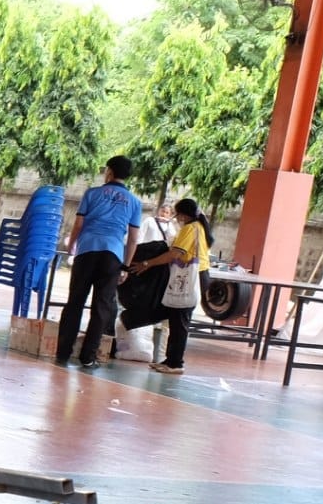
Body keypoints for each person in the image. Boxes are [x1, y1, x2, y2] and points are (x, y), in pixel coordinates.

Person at [53, 156, 142, 370]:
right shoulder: (134, 202)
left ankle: (63, 353)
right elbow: (133, 239)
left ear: (109, 172)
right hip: (112, 256)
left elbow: (78, 224)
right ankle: (88, 357)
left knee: (75, 302)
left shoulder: (92, 193)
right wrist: (125, 266)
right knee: (101, 306)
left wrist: (71, 247)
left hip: (87, 251)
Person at [121, 197, 211, 374]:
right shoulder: (198, 227)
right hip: (195, 276)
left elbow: (174, 254)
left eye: (177, 214)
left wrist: (147, 263)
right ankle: (170, 359)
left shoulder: (190, 228)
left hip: (190, 278)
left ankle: (176, 363)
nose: (176, 218)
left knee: (180, 321)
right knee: (174, 317)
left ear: (184, 215)